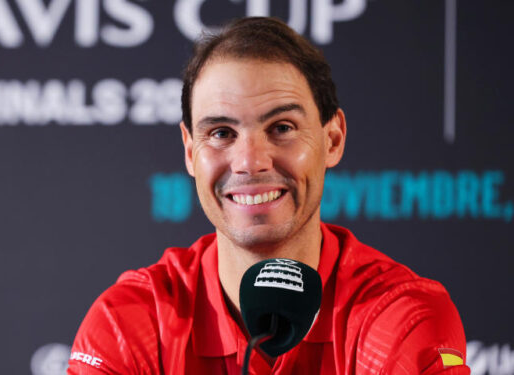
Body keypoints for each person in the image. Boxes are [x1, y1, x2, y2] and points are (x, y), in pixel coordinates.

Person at [67, 17, 469, 374]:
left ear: (333, 139)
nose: (250, 162)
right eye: (221, 133)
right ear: (190, 152)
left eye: (282, 127)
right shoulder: (131, 321)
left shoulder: (402, 317)